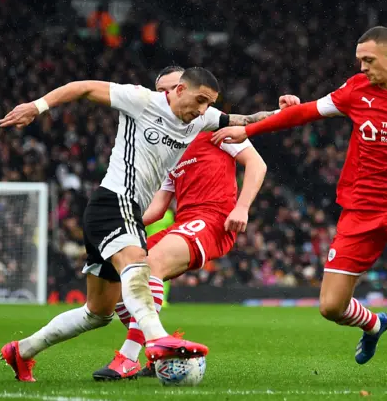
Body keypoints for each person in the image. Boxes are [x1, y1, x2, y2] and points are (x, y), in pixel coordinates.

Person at [212, 26, 387, 388]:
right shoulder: (355, 90)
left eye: (368, 60)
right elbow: (305, 112)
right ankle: (374, 323)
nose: (362, 67)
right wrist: (248, 131)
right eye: (359, 60)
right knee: (331, 308)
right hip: (360, 212)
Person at [90, 66, 299, 380]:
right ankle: (159, 345)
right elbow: (158, 208)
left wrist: (242, 208)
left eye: (173, 87)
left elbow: (256, 163)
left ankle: (129, 357)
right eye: (162, 91)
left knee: (152, 265)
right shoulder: (169, 148)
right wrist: (119, 227)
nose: (168, 95)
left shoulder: (212, 130)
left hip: (214, 220)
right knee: (126, 276)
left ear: (185, 88)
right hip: (185, 224)